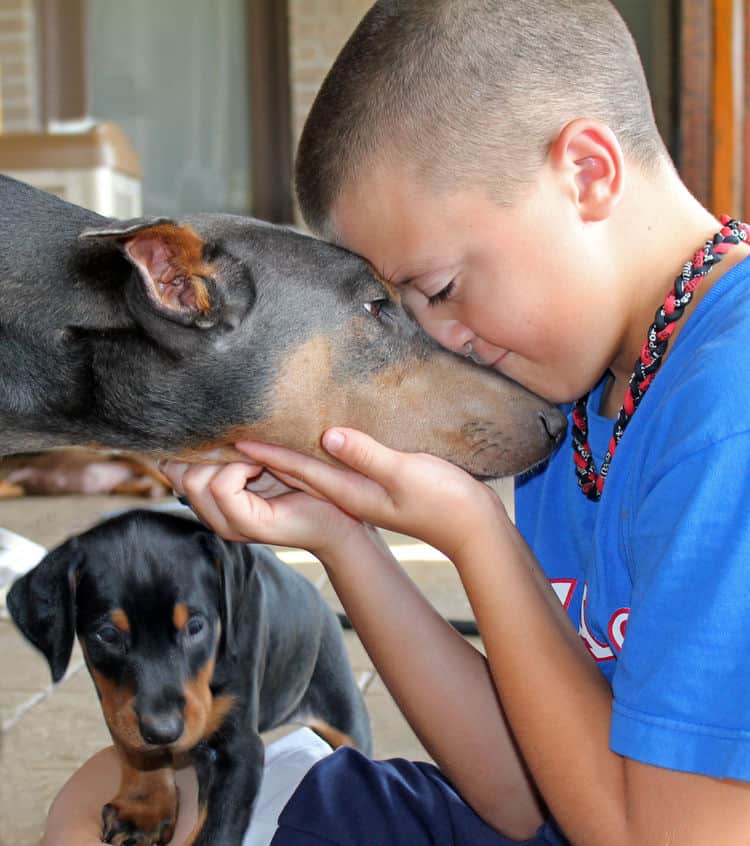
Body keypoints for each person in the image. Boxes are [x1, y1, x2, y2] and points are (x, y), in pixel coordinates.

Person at [48, 1, 750, 843]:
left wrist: (477, 537)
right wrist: (344, 536)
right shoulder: (582, 385)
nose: (445, 343)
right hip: (583, 812)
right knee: (110, 799)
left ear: (588, 173)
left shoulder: (728, 413)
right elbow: (523, 796)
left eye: (442, 290)